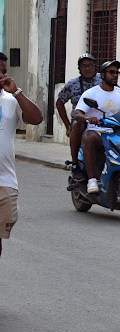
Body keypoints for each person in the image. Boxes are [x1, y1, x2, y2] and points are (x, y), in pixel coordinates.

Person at [0, 52, 44, 260]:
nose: (2, 75)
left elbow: (36, 118)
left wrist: (17, 92)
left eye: (4, 71)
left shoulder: (10, 100)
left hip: (4, 182)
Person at [73, 60, 120, 194]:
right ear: (102, 75)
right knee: (89, 137)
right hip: (98, 133)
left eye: (117, 72)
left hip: (117, 133)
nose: (115, 75)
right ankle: (92, 180)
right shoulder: (91, 93)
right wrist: (88, 118)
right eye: (111, 72)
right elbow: (78, 113)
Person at [56, 53, 100, 177]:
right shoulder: (72, 84)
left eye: (90, 65)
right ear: (79, 69)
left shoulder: (103, 81)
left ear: (95, 66)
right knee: (77, 124)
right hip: (81, 122)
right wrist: (67, 126)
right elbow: (59, 103)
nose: (87, 69)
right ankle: (75, 163)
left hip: (101, 121)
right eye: (83, 66)